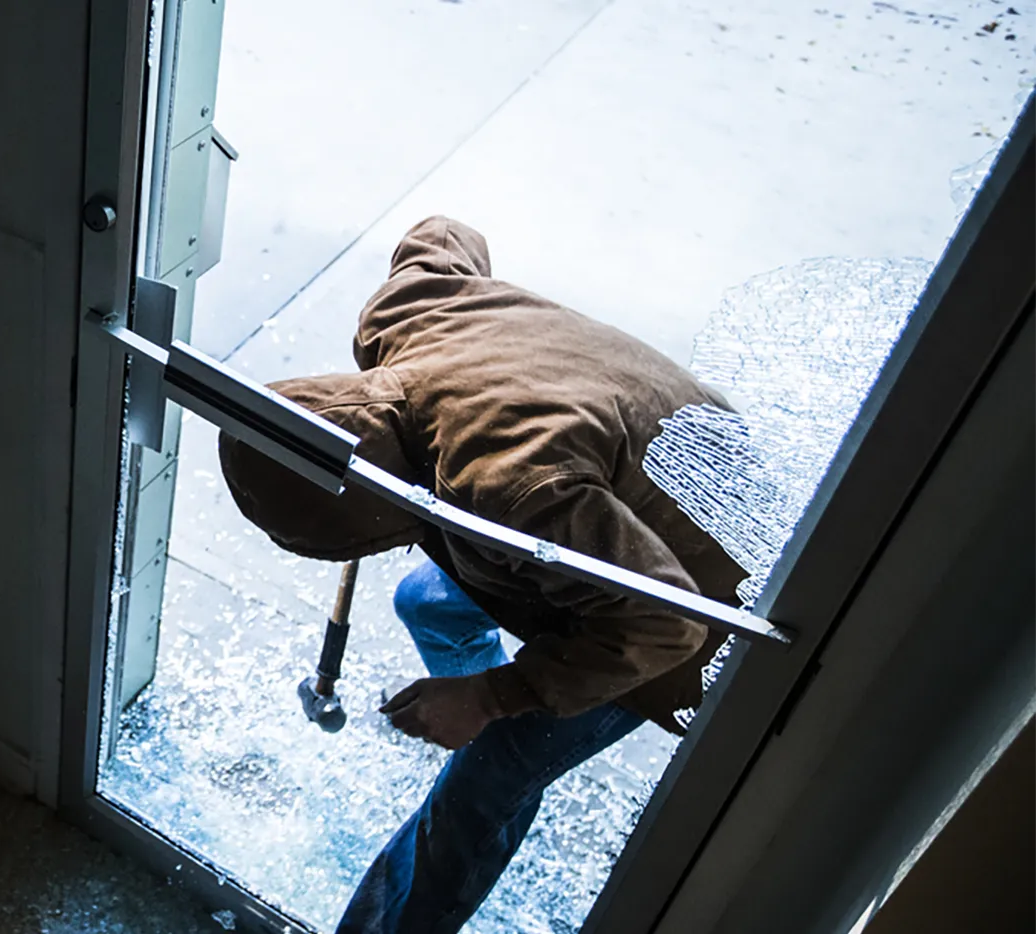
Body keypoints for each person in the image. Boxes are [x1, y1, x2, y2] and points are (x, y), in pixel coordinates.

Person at [217, 216, 747, 934]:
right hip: (618, 514)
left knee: (485, 783)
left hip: (701, 598)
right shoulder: (405, 314)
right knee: (428, 598)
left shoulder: (509, 484)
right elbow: (442, 230)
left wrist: (495, 697)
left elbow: (662, 622)